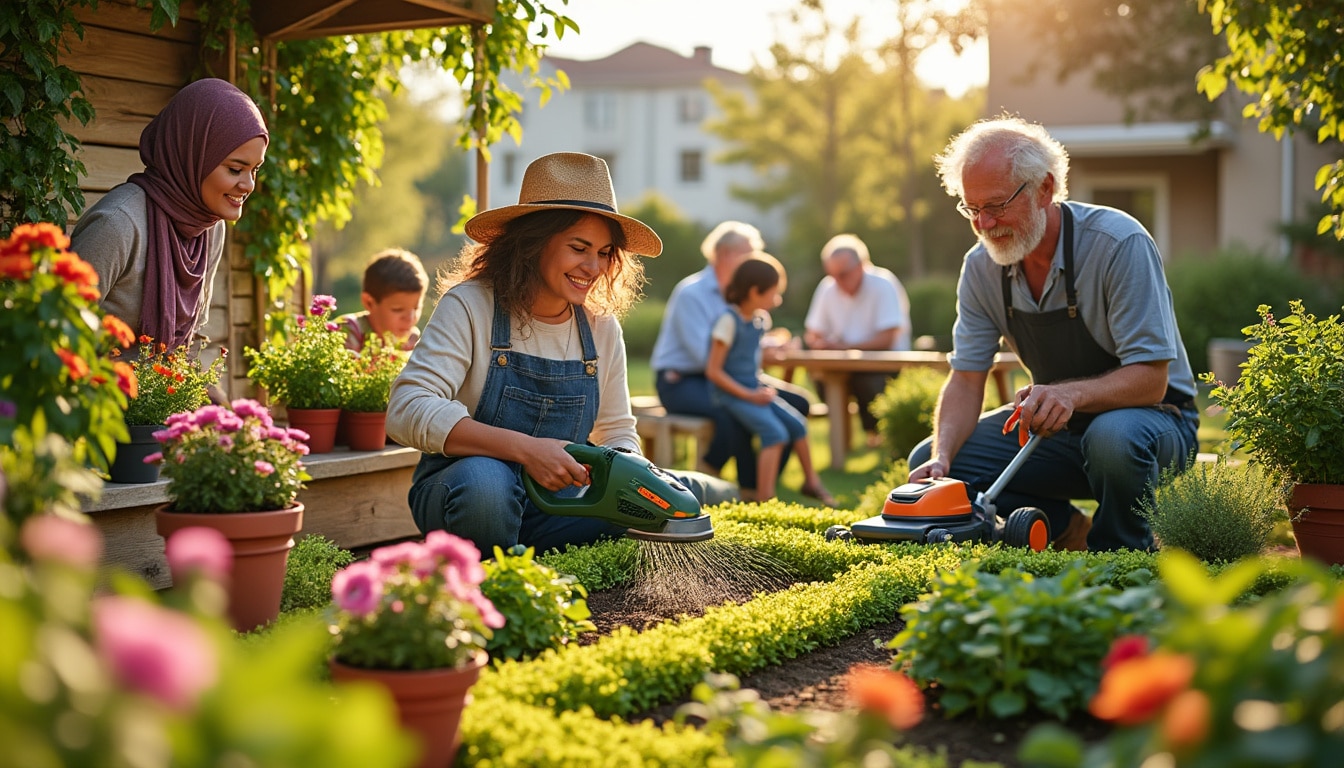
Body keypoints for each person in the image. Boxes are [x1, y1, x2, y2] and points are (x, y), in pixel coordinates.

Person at [387, 152, 737, 555]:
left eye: (605, 252)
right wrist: (527, 451)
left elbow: (617, 431)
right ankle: (492, 583)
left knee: (665, 498)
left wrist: (628, 471)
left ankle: (730, 493)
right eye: (579, 247)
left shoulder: (601, 328)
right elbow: (406, 408)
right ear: (533, 243)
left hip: (556, 503)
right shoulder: (471, 306)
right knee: (488, 483)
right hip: (464, 494)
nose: (594, 266)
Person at [907, 116, 1200, 553]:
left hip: (1157, 425)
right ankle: (1066, 529)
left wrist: (1070, 396)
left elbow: (1152, 380)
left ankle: (1123, 556)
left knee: (1112, 437)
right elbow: (968, 377)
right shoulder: (981, 267)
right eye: (973, 209)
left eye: (996, 205)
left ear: (1044, 189)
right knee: (940, 467)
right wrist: (942, 454)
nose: (984, 224)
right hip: (1057, 433)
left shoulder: (1118, 244)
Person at [70, 78, 269, 351]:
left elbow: (192, 337)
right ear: (193, 155)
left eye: (255, 169)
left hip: (166, 391)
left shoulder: (210, 227)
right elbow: (59, 337)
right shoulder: (117, 225)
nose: (248, 185)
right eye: (235, 169)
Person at [649, 221, 814, 494]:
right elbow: (704, 355)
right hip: (681, 381)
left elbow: (741, 348)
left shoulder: (743, 293)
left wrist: (764, 348)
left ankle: (760, 482)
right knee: (731, 412)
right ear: (725, 254)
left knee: (798, 403)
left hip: (728, 376)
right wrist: (759, 355)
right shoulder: (691, 292)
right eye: (749, 254)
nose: (756, 261)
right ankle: (718, 480)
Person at [707, 254, 835, 505]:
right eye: (774, 294)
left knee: (797, 425)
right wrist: (749, 395)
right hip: (731, 394)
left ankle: (811, 482)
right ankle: (765, 500)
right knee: (775, 433)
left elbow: (749, 358)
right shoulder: (727, 321)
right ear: (755, 292)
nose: (777, 300)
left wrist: (772, 354)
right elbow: (714, 371)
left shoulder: (759, 320)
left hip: (754, 388)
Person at [803, 233, 912, 447]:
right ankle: (845, 437)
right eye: (832, 275)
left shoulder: (883, 284)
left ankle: (874, 435)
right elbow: (813, 332)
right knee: (822, 375)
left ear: (862, 265)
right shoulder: (828, 287)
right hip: (843, 362)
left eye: (842, 274)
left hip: (883, 363)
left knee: (866, 380)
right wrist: (822, 343)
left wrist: (843, 347)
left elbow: (887, 340)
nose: (837, 281)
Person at [336, 247, 428, 352]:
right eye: (398, 309)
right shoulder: (348, 331)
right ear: (369, 303)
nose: (410, 318)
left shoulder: (411, 340)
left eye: (416, 308)